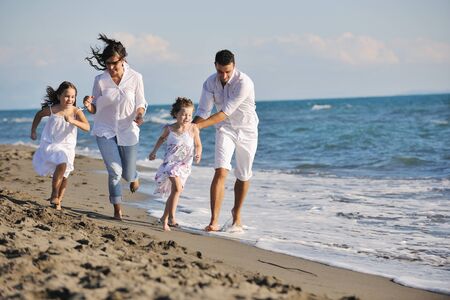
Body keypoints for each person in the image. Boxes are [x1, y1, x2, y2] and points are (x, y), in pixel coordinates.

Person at [83, 34, 148, 220]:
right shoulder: (100, 80)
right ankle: (117, 209)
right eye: (107, 64)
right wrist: (88, 106)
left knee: (127, 174)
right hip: (105, 130)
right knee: (115, 171)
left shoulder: (136, 77)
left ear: (123, 59)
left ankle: (134, 175)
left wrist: (139, 114)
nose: (110, 67)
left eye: (114, 63)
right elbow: (94, 109)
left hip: (128, 130)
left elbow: (141, 102)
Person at [193, 49, 258, 232]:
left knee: (243, 174)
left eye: (228, 71)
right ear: (215, 66)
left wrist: (196, 128)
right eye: (221, 71)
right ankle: (214, 221)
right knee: (220, 170)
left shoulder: (244, 82)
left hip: (247, 130)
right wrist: (188, 128)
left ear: (234, 66)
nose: (224, 75)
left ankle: (236, 213)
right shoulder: (209, 83)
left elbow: (223, 113)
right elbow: (203, 112)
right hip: (225, 129)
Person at [30, 81, 90, 210]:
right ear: (59, 96)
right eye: (67, 96)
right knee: (62, 164)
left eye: (73, 97)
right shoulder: (53, 110)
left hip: (68, 147)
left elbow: (87, 127)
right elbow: (39, 115)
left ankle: (58, 202)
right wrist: (33, 130)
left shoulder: (76, 111)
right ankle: (54, 193)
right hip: (52, 144)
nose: (70, 99)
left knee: (65, 175)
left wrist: (73, 121)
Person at [148, 97, 202, 231]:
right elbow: (161, 139)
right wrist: (154, 151)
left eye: (189, 114)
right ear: (176, 114)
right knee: (177, 189)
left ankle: (165, 218)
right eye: (183, 114)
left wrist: (198, 154)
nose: (187, 117)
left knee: (176, 192)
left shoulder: (193, 129)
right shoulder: (170, 128)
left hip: (184, 165)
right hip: (170, 163)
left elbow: (198, 145)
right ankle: (169, 219)